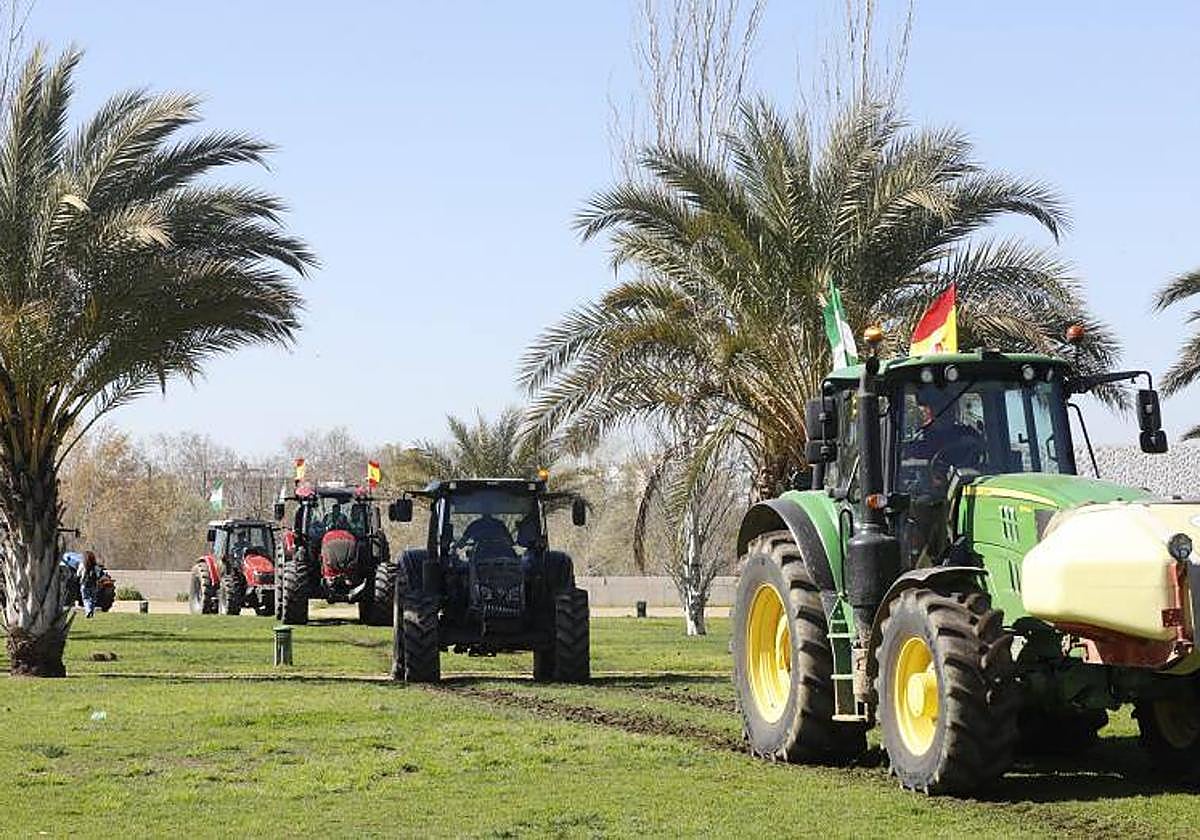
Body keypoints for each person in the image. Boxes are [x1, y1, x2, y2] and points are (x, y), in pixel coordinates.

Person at [78, 551, 101, 618]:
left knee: (86, 599)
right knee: (93, 599)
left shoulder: (82, 565)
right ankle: (91, 612)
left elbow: (78, 574)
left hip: (84, 584)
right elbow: (98, 575)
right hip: (93, 585)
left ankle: (88, 611)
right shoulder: (96, 566)